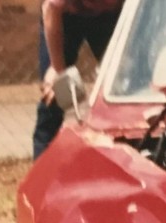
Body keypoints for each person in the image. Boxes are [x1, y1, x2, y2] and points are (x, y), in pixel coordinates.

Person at [33, 0, 125, 159]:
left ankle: (131, 165)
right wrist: (57, 69)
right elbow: (51, 8)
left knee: (127, 90)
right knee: (55, 97)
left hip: (110, 20)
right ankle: (45, 174)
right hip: (64, 18)